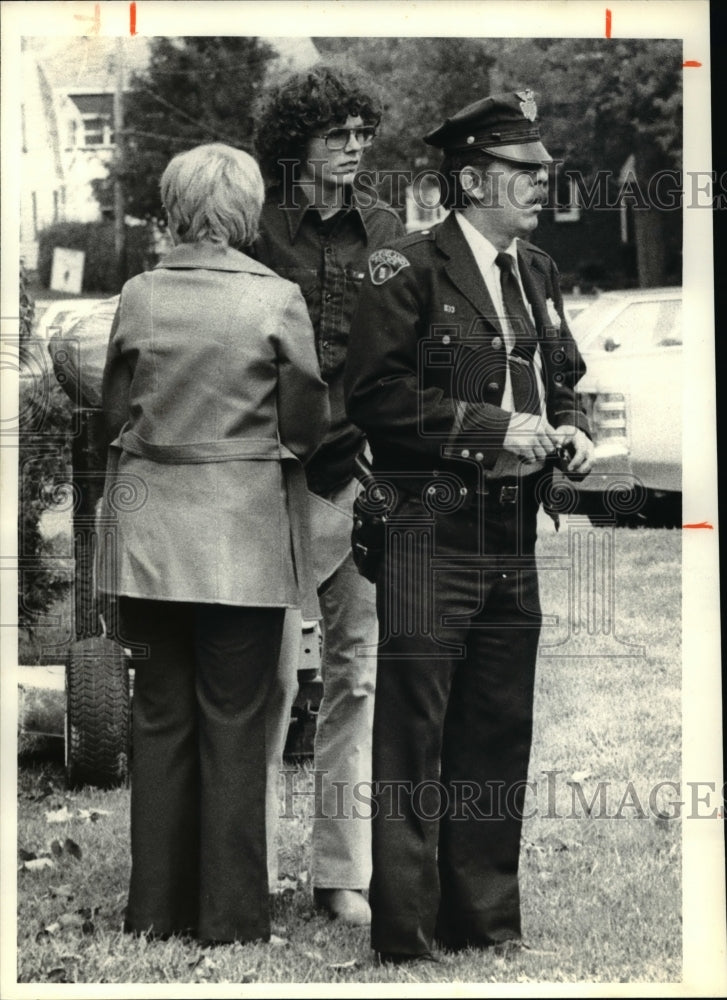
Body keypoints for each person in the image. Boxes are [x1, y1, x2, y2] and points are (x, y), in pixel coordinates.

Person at [344, 90, 594, 962]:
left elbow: (557, 371)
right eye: (526, 173)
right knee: (413, 736)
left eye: (543, 171)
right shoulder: (403, 267)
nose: (542, 184)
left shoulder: (537, 270)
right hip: (427, 528)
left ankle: (483, 923)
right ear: (472, 179)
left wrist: (568, 430)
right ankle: (407, 935)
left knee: (496, 726)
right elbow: (373, 397)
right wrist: (493, 429)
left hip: (508, 532)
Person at [98, 143, 329, 944]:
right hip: (242, 538)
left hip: (150, 539)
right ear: (246, 210)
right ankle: (231, 917)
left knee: (159, 717)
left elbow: (115, 409)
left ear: (172, 206)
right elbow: (306, 425)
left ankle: (153, 911)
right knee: (234, 719)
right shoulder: (277, 298)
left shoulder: (140, 294)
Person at [251, 63, 406, 926]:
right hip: (272, 479)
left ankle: (341, 874)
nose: (352, 148)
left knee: (358, 674)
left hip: (362, 478)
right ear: (295, 143)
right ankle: (246, 869)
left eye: (361, 134)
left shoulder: (386, 227)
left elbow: (402, 351)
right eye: (334, 134)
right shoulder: (254, 230)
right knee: (267, 680)